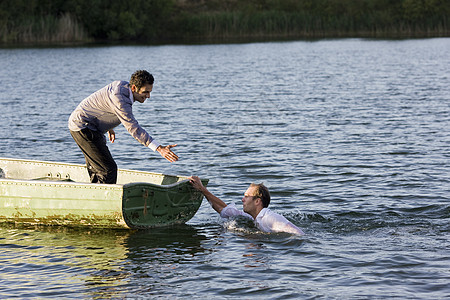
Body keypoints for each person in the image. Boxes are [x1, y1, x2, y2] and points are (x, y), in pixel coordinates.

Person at [68, 70, 178, 184]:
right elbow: (133, 128)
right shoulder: (120, 98)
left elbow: (104, 104)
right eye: (145, 92)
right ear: (134, 87)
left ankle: (94, 195)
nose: (148, 96)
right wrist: (159, 148)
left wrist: (108, 126)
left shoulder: (123, 87)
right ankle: (104, 199)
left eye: (150, 92)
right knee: (108, 169)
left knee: (99, 168)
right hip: (83, 127)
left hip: (90, 126)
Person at [188, 176, 304, 235]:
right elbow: (224, 210)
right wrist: (202, 190)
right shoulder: (252, 216)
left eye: (247, 196)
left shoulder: (270, 218)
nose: (242, 199)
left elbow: (298, 235)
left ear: (257, 201)